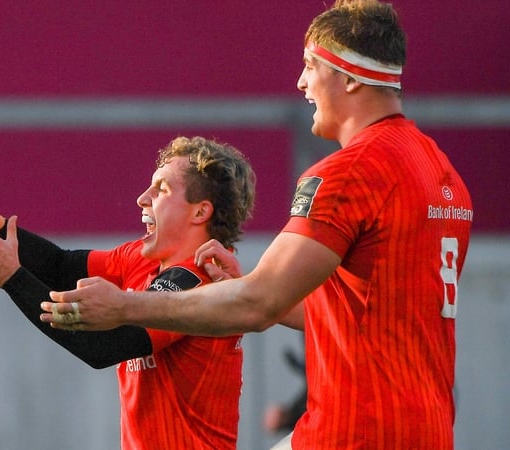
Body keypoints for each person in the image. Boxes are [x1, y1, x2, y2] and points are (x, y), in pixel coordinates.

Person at [42, 1, 474, 448]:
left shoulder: (349, 172)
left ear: (348, 77)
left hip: (352, 433)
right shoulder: (441, 172)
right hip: (428, 430)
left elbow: (256, 305)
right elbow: (359, 317)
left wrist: (124, 306)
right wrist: (245, 282)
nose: (301, 82)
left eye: (311, 65)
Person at [0, 136, 256, 449]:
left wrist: (13, 277)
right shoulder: (141, 259)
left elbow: (102, 347)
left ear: (201, 211)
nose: (142, 198)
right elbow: (61, 266)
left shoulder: (198, 281)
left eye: (162, 189)